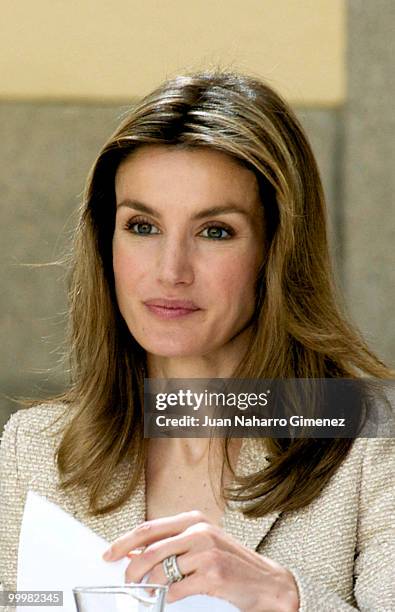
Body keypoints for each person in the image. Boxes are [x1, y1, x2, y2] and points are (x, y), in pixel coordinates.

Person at [0, 71, 393, 612]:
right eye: (142, 226)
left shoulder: (370, 441)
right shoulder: (36, 449)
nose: (170, 271)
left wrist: (286, 598)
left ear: (276, 251)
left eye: (215, 231)